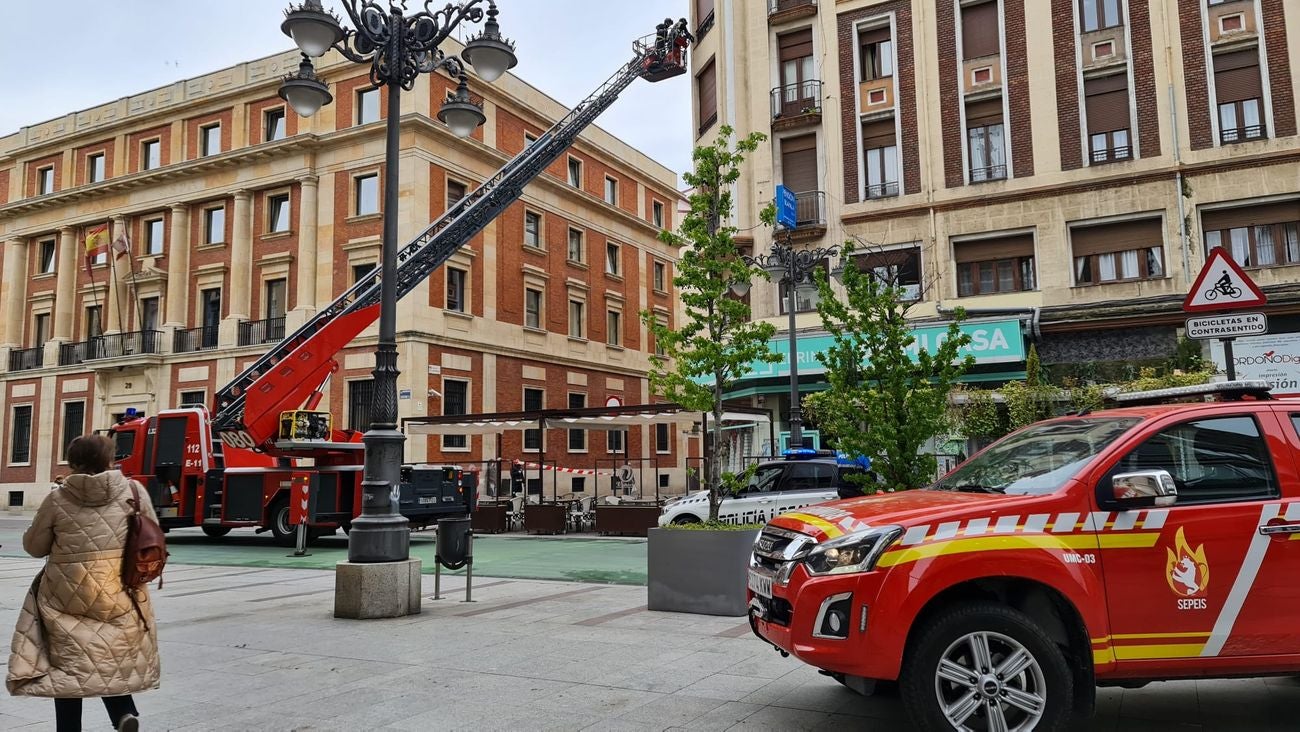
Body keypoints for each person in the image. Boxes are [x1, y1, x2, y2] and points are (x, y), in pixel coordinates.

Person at [7, 434, 160, 732]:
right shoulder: (133, 491)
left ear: (73, 463)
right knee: (107, 653)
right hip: (119, 587)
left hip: (64, 592)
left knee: (68, 664)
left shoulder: (58, 498)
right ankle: (123, 713)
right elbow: (151, 534)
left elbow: (35, 547)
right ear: (110, 460)